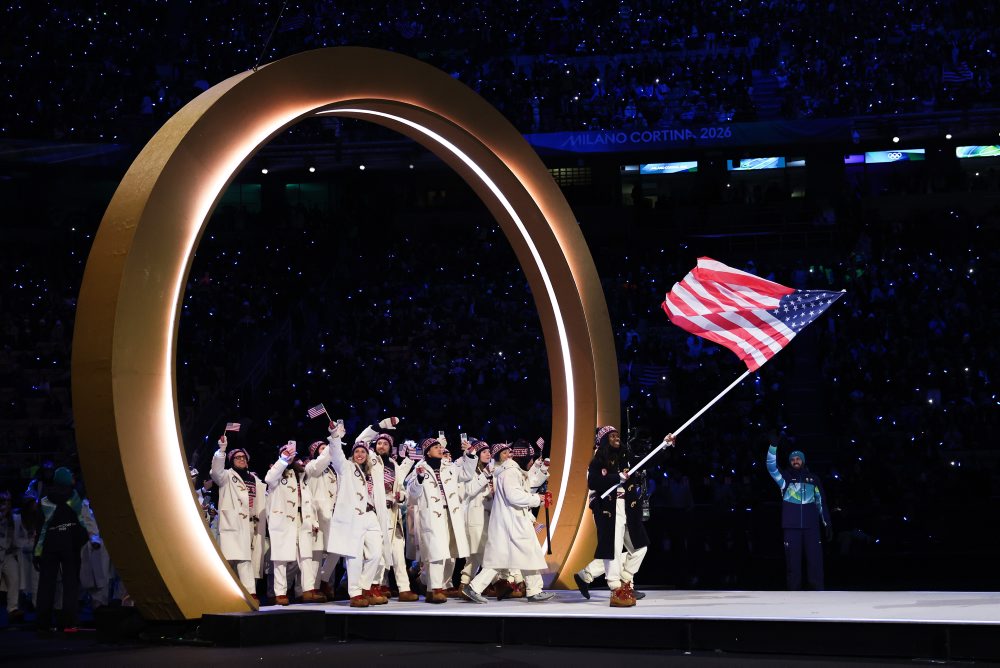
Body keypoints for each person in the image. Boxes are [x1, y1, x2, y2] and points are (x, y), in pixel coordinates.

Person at [586, 426, 674, 607]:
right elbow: (593, 482)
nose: (616, 437)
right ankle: (615, 589)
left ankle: (624, 578)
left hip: (628, 507)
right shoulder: (597, 461)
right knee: (613, 548)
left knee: (641, 546)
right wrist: (616, 478)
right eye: (612, 436)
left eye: (617, 435)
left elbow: (647, 461)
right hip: (608, 508)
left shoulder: (626, 457)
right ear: (604, 441)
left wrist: (664, 446)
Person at [461, 442, 554, 603]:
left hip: (511, 521)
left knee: (504, 558)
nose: (531, 462)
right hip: (513, 522)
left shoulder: (511, 470)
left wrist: (537, 498)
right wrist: (536, 499)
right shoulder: (510, 472)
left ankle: (474, 587)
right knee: (527, 553)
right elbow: (514, 496)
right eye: (529, 458)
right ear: (522, 456)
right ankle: (534, 590)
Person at [321, 422, 391, 608]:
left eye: (363, 452)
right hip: (354, 517)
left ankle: (365, 586)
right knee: (354, 556)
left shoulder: (371, 471)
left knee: (376, 554)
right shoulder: (346, 468)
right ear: (353, 454)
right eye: (357, 452)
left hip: (371, 516)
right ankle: (355, 593)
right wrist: (335, 436)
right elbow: (336, 454)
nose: (360, 454)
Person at [32, 467, 96, 633]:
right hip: (70, 545)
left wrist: (37, 553)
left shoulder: (45, 500)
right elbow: (82, 523)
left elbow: (41, 529)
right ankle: (69, 622)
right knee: (71, 585)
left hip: (49, 545)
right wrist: (80, 541)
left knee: (46, 585)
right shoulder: (74, 497)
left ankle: (43, 622)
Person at [407, 437, 469, 603]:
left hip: (450, 515)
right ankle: (435, 589)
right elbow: (412, 495)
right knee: (436, 554)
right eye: (436, 447)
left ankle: (430, 588)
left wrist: (469, 454)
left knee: (449, 555)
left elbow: (467, 473)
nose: (441, 449)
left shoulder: (449, 467)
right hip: (432, 516)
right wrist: (419, 479)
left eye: (441, 447)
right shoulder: (420, 468)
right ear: (428, 451)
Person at [766, 434, 832, 590]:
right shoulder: (785, 479)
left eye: (798, 459)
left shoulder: (813, 479)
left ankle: (818, 594)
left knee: (815, 562)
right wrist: (773, 447)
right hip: (791, 527)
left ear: (803, 461)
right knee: (793, 564)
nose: (796, 461)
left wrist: (827, 522)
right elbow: (771, 467)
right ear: (790, 462)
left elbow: (820, 502)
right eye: (793, 459)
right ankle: (793, 596)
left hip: (811, 528)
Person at [265, 443, 323, 605]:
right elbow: (268, 478)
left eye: (292, 454)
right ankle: (280, 592)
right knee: (281, 559)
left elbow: (308, 502)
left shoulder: (301, 477)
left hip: (302, 519)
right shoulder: (277, 475)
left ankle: (309, 590)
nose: (291, 457)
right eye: (286, 453)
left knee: (306, 556)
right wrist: (283, 459)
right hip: (283, 521)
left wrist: (313, 520)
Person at [211, 435, 267, 601]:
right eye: (237, 458)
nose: (241, 460)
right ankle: (236, 592)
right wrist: (221, 450)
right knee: (230, 559)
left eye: (243, 457)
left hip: (250, 524)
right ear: (231, 461)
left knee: (246, 558)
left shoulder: (254, 479)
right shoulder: (226, 476)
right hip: (233, 523)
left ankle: (246, 592)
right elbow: (216, 471)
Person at [369, 433, 418, 602]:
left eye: (385, 444)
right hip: (377, 513)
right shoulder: (371, 462)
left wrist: (401, 497)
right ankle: (375, 586)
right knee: (379, 553)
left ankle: (404, 589)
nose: (381, 446)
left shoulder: (394, 465)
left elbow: (401, 488)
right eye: (379, 443)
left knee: (398, 552)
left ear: (390, 447)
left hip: (393, 513)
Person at [303, 438, 339, 600]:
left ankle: (323, 579)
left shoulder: (332, 470)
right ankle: (314, 588)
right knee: (316, 552)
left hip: (332, 514)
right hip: (316, 514)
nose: (326, 450)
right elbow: (320, 462)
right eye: (322, 448)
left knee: (337, 549)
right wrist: (333, 443)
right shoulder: (311, 467)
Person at [457, 440, 493, 592]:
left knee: (476, 553)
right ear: (477, 455)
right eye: (484, 451)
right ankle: (495, 583)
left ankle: (465, 583)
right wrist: (485, 476)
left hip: (488, 516)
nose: (488, 454)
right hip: (475, 516)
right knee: (486, 552)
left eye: (489, 451)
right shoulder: (470, 471)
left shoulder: (490, 470)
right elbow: (470, 490)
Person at [0, 491, 23, 622]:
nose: (6, 504)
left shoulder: (15, 518)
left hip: (7, 554)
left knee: (14, 578)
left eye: (8, 502)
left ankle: (13, 608)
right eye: (3, 502)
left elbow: (16, 537)